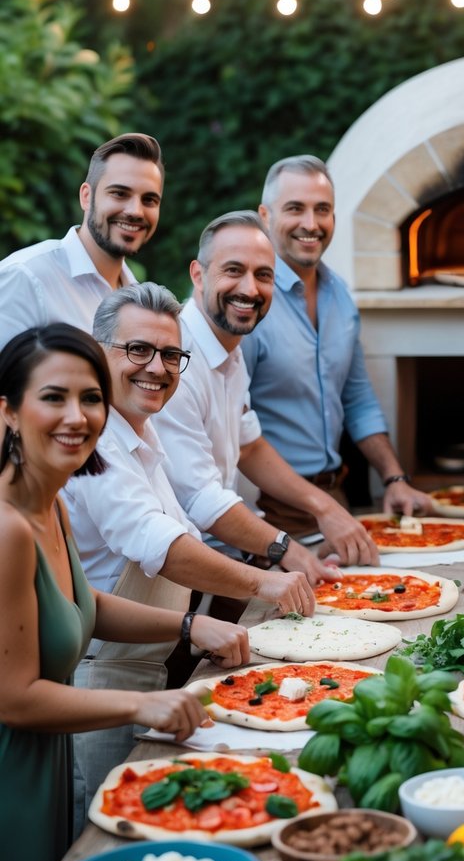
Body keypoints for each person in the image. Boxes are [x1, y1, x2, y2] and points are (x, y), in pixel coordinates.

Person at [0, 325, 247, 861]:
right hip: (13, 772)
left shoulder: (50, 502)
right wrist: (145, 702)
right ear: (6, 410)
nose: (77, 416)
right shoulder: (6, 531)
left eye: (91, 399)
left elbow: (82, 604)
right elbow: (15, 697)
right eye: (53, 397)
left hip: (48, 758)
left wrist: (191, 625)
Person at [64, 283, 318, 831]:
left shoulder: (140, 432)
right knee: (109, 831)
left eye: (170, 355)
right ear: (97, 351)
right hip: (101, 678)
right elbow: (160, 545)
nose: (156, 367)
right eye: (138, 350)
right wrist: (262, 582)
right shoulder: (97, 443)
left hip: (146, 668)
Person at [153, 211, 378, 605]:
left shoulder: (230, 350)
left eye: (263, 275)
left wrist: (324, 509)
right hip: (162, 589)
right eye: (233, 270)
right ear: (198, 274)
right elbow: (201, 500)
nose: (250, 288)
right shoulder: (176, 360)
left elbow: (250, 446)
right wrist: (285, 548)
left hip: (220, 560)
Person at [243, 155, 432, 537]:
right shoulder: (246, 303)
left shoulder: (340, 297)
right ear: (265, 215)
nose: (311, 224)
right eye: (295, 209)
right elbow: (231, 427)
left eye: (322, 210)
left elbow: (357, 397)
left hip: (335, 498)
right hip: (266, 510)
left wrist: (394, 478)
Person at [0, 133, 164, 348]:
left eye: (149, 200)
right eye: (119, 193)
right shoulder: (26, 276)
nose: (136, 211)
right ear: (86, 196)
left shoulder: (136, 296)